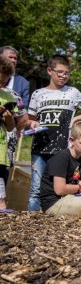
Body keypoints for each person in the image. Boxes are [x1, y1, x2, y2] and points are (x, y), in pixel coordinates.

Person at [24, 54, 81, 212]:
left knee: (62, 188)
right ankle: (31, 223)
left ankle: (56, 222)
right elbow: (28, 122)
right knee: (36, 189)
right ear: (50, 71)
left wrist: (75, 119)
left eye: (67, 73)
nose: (64, 76)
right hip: (40, 148)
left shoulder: (73, 92)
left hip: (62, 150)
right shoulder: (38, 94)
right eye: (60, 72)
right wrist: (33, 123)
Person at [0, 56, 26, 209]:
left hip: (1, 151)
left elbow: (10, 127)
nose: (1, 85)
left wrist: (8, 117)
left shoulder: (9, 96)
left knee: (2, 198)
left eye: (4, 82)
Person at [0, 46, 30, 166]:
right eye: (10, 57)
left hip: (8, 134)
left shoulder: (22, 84)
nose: (13, 60)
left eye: (15, 58)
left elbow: (23, 116)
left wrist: (15, 130)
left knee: (4, 169)